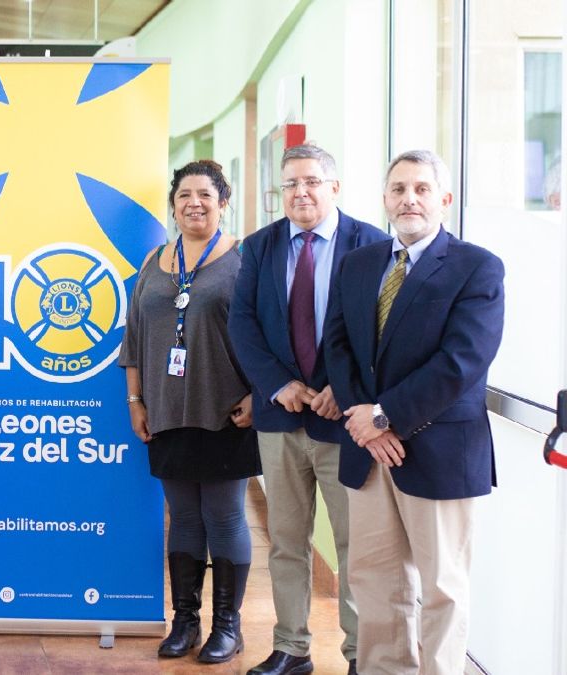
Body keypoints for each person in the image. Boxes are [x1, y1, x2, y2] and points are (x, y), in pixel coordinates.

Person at [324, 150, 504, 675]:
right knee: (375, 582)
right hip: (368, 450)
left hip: (439, 451)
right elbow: (339, 347)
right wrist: (365, 420)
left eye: (422, 189)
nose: (409, 199)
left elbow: (462, 362)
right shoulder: (358, 265)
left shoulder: (477, 267)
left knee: (443, 587)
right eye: (399, 189)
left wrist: (384, 418)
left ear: (444, 199)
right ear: (384, 200)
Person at [229, 143, 388, 675]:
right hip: (281, 419)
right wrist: (280, 385)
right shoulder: (260, 246)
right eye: (290, 183)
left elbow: (383, 332)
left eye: (312, 181)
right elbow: (243, 325)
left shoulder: (374, 245)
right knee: (287, 542)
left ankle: (360, 654)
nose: (300, 192)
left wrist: (343, 388)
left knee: (355, 546)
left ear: (334, 187)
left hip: (347, 423)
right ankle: (290, 648)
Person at [119, 159, 260, 664]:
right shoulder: (154, 261)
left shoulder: (244, 262)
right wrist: (135, 399)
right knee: (182, 519)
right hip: (165, 410)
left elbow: (267, 338)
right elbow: (133, 336)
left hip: (227, 411)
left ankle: (228, 627)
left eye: (205, 194)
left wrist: (258, 394)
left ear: (224, 203)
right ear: (173, 205)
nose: (193, 203)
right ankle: (185, 623)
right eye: (184, 195)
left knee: (223, 518)